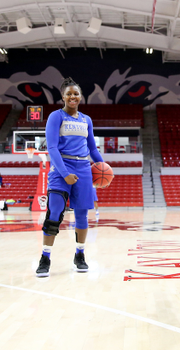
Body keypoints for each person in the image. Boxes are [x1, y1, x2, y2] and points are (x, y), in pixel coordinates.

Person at [35, 77, 105, 278]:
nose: (73, 96)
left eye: (76, 93)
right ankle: (45, 257)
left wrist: (102, 166)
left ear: (80, 96)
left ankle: (80, 255)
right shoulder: (56, 117)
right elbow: (52, 148)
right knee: (55, 211)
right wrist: (65, 173)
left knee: (82, 215)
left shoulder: (86, 120)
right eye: (69, 93)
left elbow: (92, 148)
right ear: (63, 96)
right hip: (61, 168)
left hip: (83, 168)